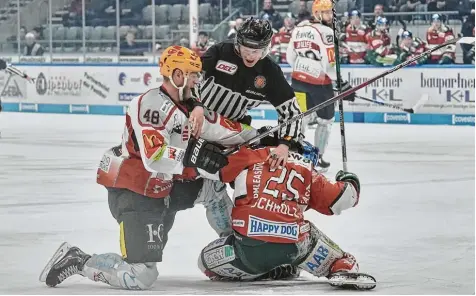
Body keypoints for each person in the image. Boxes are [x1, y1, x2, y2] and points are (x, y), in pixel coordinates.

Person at [39, 46, 259, 290]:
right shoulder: (152, 105)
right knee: (140, 274)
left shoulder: (188, 104)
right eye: (194, 74)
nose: (198, 79)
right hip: (136, 192)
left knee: (213, 189)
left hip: (167, 187)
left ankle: (241, 251)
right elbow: (154, 157)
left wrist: (261, 137)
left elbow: (222, 128)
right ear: (178, 75)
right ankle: (78, 260)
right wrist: (193, 158)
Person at [190, 140, 376, 290]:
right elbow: (343, 198)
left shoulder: (248, 155)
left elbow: (211, 169)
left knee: (204, 263)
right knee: (322, 246)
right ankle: (340, 266)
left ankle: (259, 271)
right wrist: (349, 180)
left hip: (247, 249)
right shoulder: (307, 168)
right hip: (295, 246)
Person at [198, 17, 302, 169]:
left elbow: (291, 111)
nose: (249, 56)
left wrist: (285, 144)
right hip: (201, 120)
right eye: (245, 50)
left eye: (255, 51)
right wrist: (193, 106)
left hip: (231, 129)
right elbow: (192, 77)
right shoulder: (220, 51)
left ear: (266, 48)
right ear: (237, 44)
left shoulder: (270, 72)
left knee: (294, 148)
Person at [286, 0, 355, 171]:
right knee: (326, 120)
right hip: (319, 83)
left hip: (297, 79)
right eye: (326, 13)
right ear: (317, 13)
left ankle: (296, 152)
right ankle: (317, 156)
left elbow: (289, 58)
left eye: (331, 12)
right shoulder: (326, 32)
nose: (331, 16)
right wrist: (342, 84)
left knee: (302, 116)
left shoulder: (299, 28)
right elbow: (329, 63)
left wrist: (303, 67)